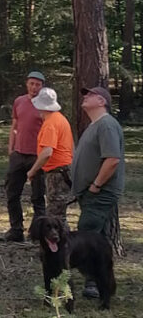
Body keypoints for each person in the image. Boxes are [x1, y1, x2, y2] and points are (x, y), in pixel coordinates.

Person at [71, 85, 125, 300]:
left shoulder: (107, 126)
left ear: (102, 101)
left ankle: (93, 282)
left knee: (86, 235)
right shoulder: (94, 126)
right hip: (91, 192)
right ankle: (103, 281)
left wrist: (96, 185)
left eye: (90, 95)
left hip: (100, 193)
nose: (85, 97)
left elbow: (112, 159)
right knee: (97, 237)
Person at [4, 70, 46, 241]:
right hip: (18, 154)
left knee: (38, 195)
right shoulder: (19, 101)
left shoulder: (45, 105)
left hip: (37, 156)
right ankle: (16, 229)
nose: (34, 87)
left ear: (42, 86)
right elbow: (15, 125)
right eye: (32, 83)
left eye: (38, 84)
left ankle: (38, 232)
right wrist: (11, 148)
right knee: (12, 193)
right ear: (26, 84)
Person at [26, 87, 74, 230]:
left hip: (57, 173)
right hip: (63, 170)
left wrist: (32, 171)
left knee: (55, 217)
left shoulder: (50, 124)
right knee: (58, 213)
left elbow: (47, 152)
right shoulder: (60, 119)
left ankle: (63, 247)